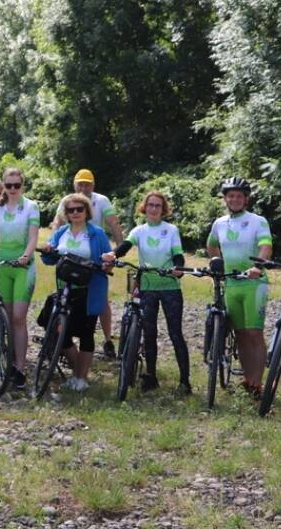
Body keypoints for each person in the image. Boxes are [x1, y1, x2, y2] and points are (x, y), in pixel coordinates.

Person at [102, 190, 189, 395]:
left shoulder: (171, 229)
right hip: (147, 286)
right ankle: (151, 376)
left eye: (158, 206)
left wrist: (178, 268)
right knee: (149, 333)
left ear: (163, 209)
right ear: (145, 207)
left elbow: (178, 254)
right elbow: (126, 245)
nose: (153, 209)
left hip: (169, 287)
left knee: (175, 333)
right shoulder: (139, 230)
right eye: (150, 205)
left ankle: (185, 381)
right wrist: (113, 254)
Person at [206, 177, 272, 398]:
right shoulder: (219, 223)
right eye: (230, 195)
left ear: (246, 198)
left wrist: (257, 266)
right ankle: (248, 379)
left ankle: (258, 383)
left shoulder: (257, 220)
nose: (234, 199)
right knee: (240, 334)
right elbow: (211, 244)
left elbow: (266, 246)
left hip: (254, 283)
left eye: (238, 196)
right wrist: (217, 263)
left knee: (254, 333)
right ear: (225, 198)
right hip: (232, 283)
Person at [41, 194, 113, 391]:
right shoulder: (61, 232)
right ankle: (77, 371)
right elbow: (48, 259)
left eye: (79, 209)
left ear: (86, 211)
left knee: (86, 333)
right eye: (70, 210)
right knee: (60, 332)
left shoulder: (96, 234)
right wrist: (48, 249)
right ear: (66, 213)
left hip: (89, 290)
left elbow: (108, 259)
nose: (75, 213)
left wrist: (107, 262)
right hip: (65, 289)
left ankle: (82, 377)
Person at [51, 169, 123, 359]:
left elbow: (113, 223)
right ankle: (64, 341)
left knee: (100, 300)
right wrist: (53, 242)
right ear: (74, 184)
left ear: (93, 185)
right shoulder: (67, 200)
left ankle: (107, 339)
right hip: (71, 250)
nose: (83, 187)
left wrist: (118, 251)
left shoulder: (102, 201)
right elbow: (57, 222)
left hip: (94, 250)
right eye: (80, 184)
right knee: (66, 300)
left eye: (87, 184)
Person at [0, 167, 40, 390]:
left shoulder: (31, 206)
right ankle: (9, 362)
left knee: (19, 317)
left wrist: (25, 256)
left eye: (16, 185)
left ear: (22, 186)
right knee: (7, 316)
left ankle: (21, 367)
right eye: (8, 185)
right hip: (3, 266)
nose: (12, 189)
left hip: (23, 267)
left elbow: (33, 237)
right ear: (4, 185)